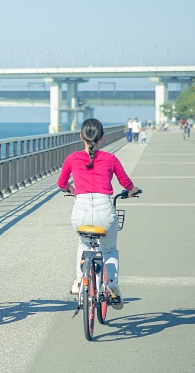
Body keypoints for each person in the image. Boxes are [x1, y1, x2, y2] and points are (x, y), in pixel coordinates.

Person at [57, 118, 139, 308]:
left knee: (83, 243)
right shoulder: (111, 158)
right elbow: (126, 184)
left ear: (81, 136)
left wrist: (70, 189)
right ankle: (112, 283)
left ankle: (79, 281)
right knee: (109, 249)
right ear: (102, 137)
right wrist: (133, 191)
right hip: (105, 210)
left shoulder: (72, 158)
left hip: (81, 210)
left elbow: (61, 184)